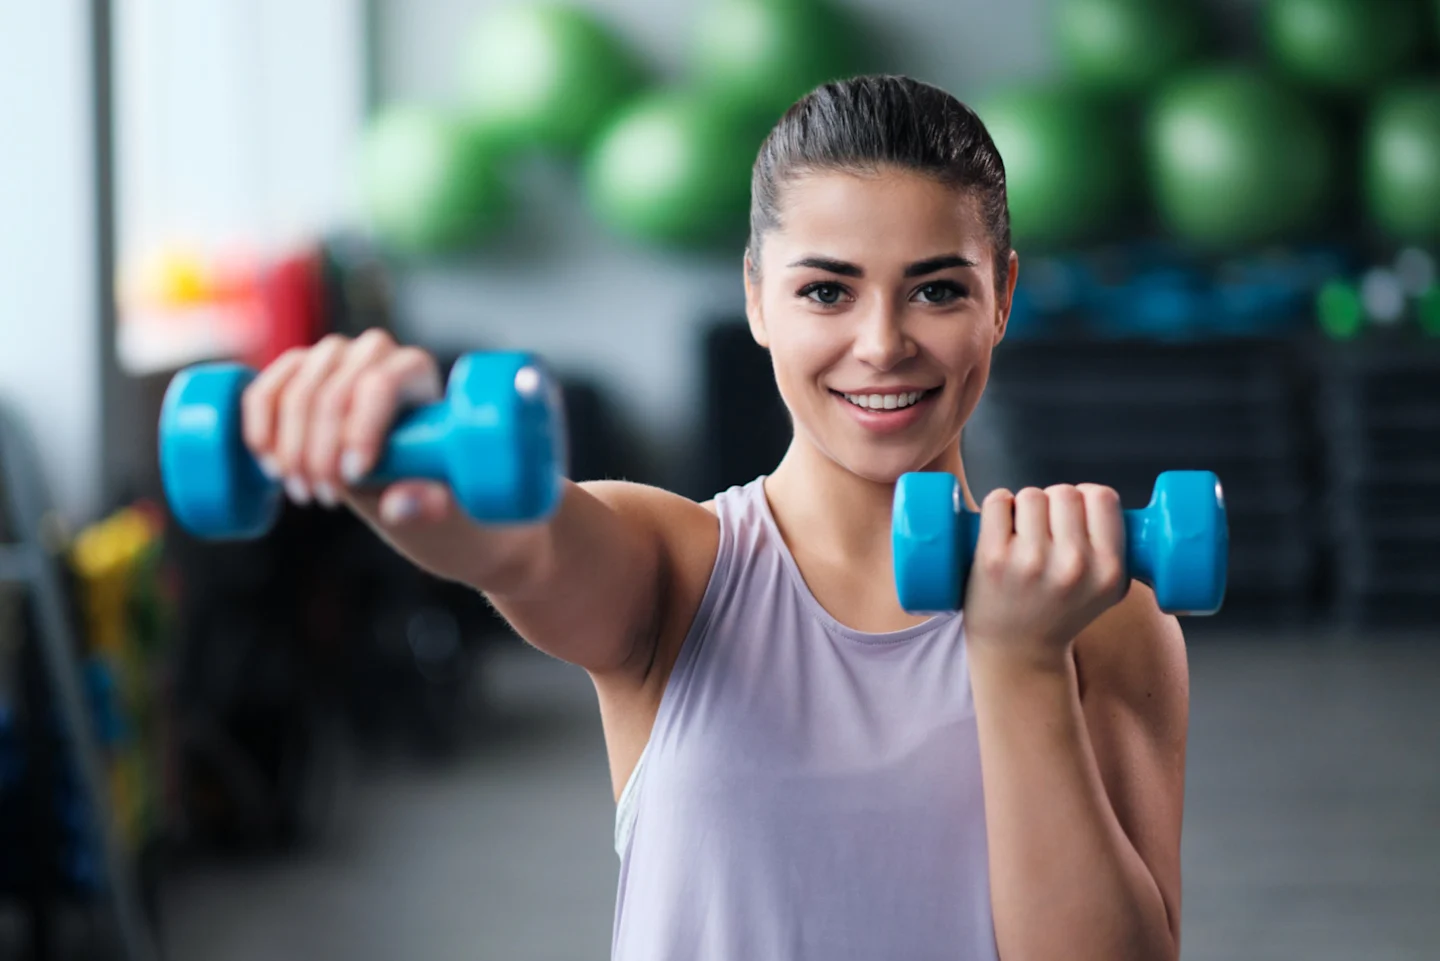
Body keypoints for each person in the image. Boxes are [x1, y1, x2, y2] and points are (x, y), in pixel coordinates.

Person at [240, 75, 1188, 961]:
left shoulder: (1103, 613)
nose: (883, 343)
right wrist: (393, 468)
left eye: (938, 289)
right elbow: (520, 544)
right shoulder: (677, 566)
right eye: (827, 290)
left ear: (1004, 299)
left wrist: (1021, 662)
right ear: (756, 299)